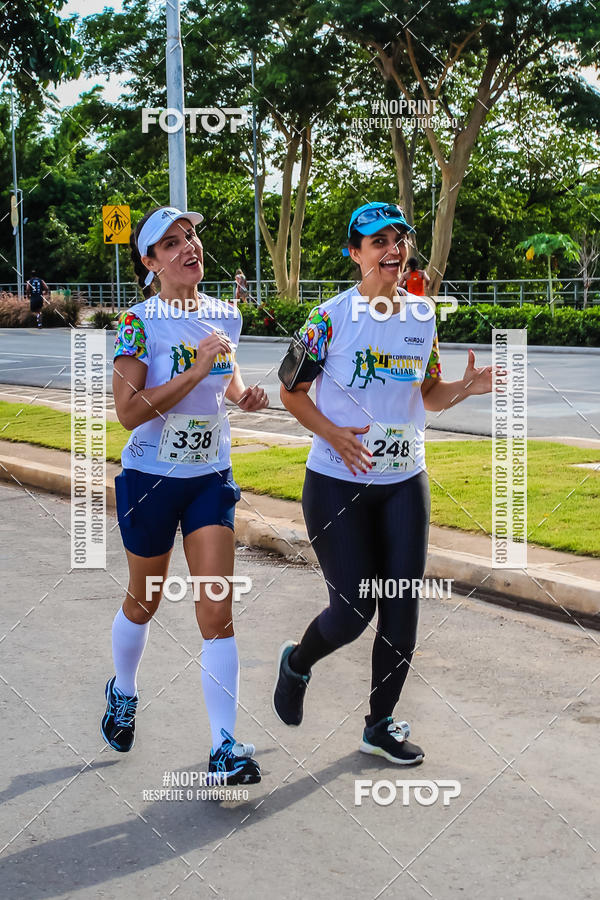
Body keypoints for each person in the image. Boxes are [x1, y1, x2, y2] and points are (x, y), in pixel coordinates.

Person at [273, 201, 492, 765]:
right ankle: (297, 661)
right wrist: (334, 434)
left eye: (399, 240)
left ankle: (379, 725)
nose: (393, 250)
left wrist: (467, 387)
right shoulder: (327, 318)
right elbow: (290, 390)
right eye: (378, 242)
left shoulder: (423, 316)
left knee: (401, 608)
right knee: (352, 612)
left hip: (404, 482)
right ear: (355, 254)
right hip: (336, 483)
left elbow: (429, 395)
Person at [102, 205, 269, 786]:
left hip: (208, 479)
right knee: (144, 600)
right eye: (169, 244)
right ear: (150, 263)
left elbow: (230, 380)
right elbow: (127, 413)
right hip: (150, 480)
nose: (187, 249)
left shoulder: (226, 316)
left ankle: (225, 744)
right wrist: (196, 372)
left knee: (217, 609)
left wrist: (244, 397)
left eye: (190, 237)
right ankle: (123, 689)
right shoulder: (136, 323)